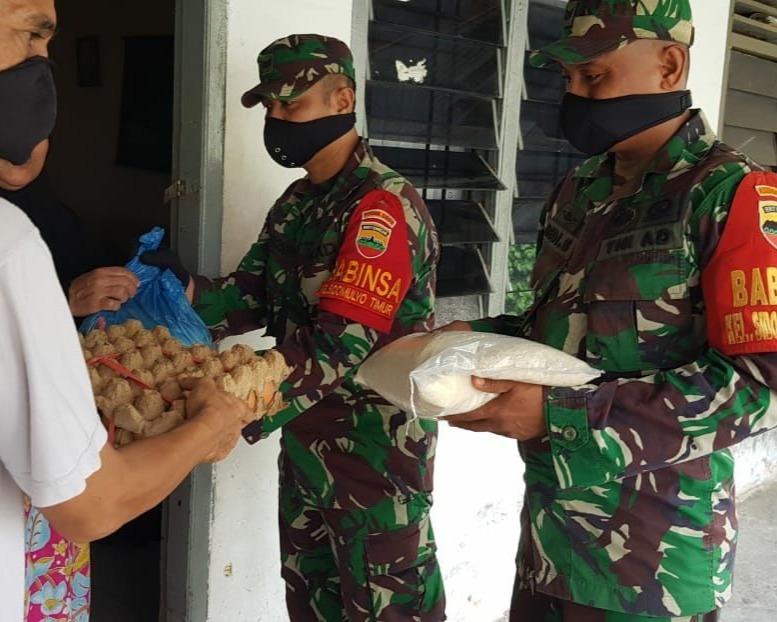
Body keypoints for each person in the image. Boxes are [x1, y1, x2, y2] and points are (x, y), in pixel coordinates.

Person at [442, 1, 777, 621]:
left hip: (656, 563)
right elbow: (559, 330)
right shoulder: (580, 192)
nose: (573, 97)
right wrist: (475, 339)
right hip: (549, 541)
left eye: (593, 78)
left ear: (669, 63)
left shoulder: (733, 195)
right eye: (567, 80)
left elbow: (760, 385)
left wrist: (563, 417)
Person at [143, 33, 446, 621]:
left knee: (388, 610)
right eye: (273, 108)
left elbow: (341, 344)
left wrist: (227, 408)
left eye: (292, 105)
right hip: (308, 447)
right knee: (310, 601)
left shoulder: (380, 206)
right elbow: (252, 295)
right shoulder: (298, 202)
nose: (279, 121)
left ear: (342, 99)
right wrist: (179, 290)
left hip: (373, 459)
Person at [0, 2, 253, 621]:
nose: (43, 63)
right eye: (31, 32)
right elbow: (89, 505)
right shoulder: (8, 246)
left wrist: (183, 288)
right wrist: (206, 431)